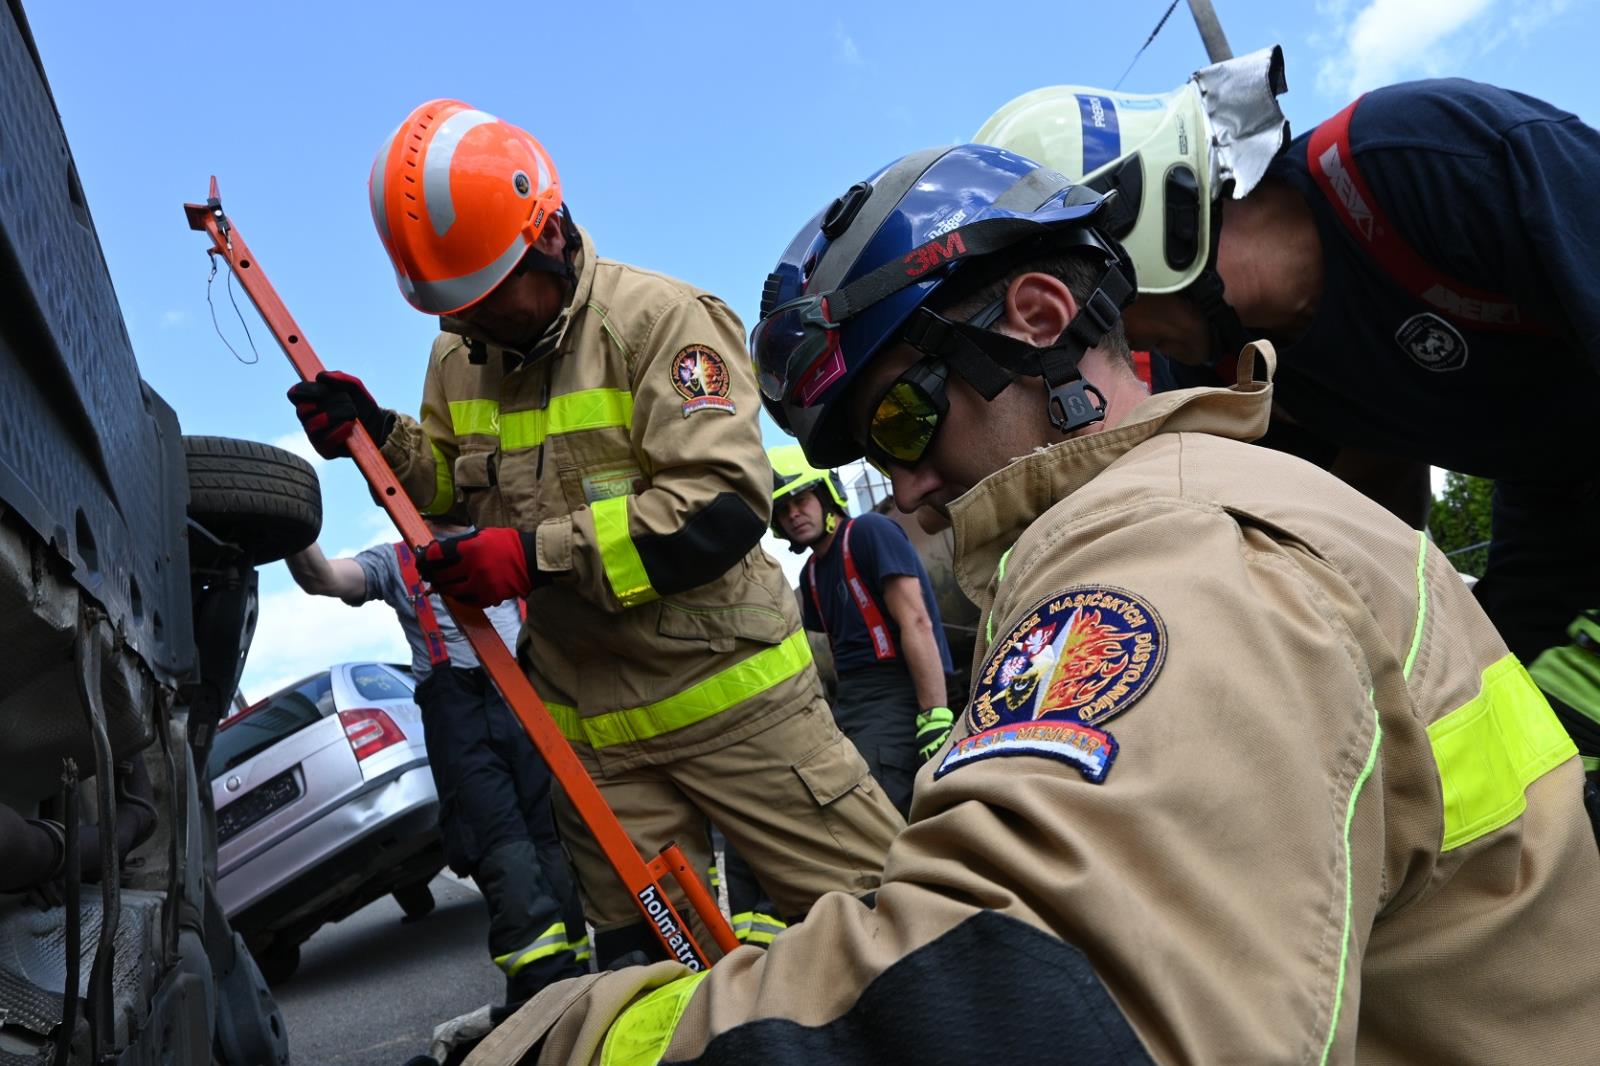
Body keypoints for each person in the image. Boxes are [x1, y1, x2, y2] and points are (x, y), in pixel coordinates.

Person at [462, 144, 1600, 1066]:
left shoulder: (1180, 561)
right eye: (869, 451)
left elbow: (1021, 1005)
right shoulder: (1219, 506)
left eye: (901, 422)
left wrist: (579, 1040)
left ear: (1041, 316)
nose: (902, 486)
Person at [287, 100, 902, 968]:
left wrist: (534, 556)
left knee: (894, 935)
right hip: (593, 744)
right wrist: (374, 436)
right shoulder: (459, 351)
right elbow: (449, 488)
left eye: (486, 300)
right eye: (454, 308)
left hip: (738, 707)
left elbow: (721, 506)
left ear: (548, 237)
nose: (467, 324)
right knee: (655, 982)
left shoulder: (662, 321)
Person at [974, 49, 1600, 760]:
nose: (1110, 350)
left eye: (1080, 313)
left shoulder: (1421, 160)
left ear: (1144, 229)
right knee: (1518, 736)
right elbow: (1363, 520)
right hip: (1553, 505)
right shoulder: (1226, 371)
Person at [284, 525, 588, 1016]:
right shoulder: (398, 561)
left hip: (529, 701)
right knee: (500, 844)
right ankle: (543, 986)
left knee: (553, 843)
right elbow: (323, 577)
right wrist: (286, 517)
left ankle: (576, 978)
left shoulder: (507, 536)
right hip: (461, 719)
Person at [769, 444, 956, 815]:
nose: (794, 514)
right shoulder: (811, 574)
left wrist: (934, 712)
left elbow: (916, 620)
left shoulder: (869, 531)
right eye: (783, 509)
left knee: (868, 812)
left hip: (895, 691)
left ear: (826, 495)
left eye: (801, 499)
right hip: (851, 702)